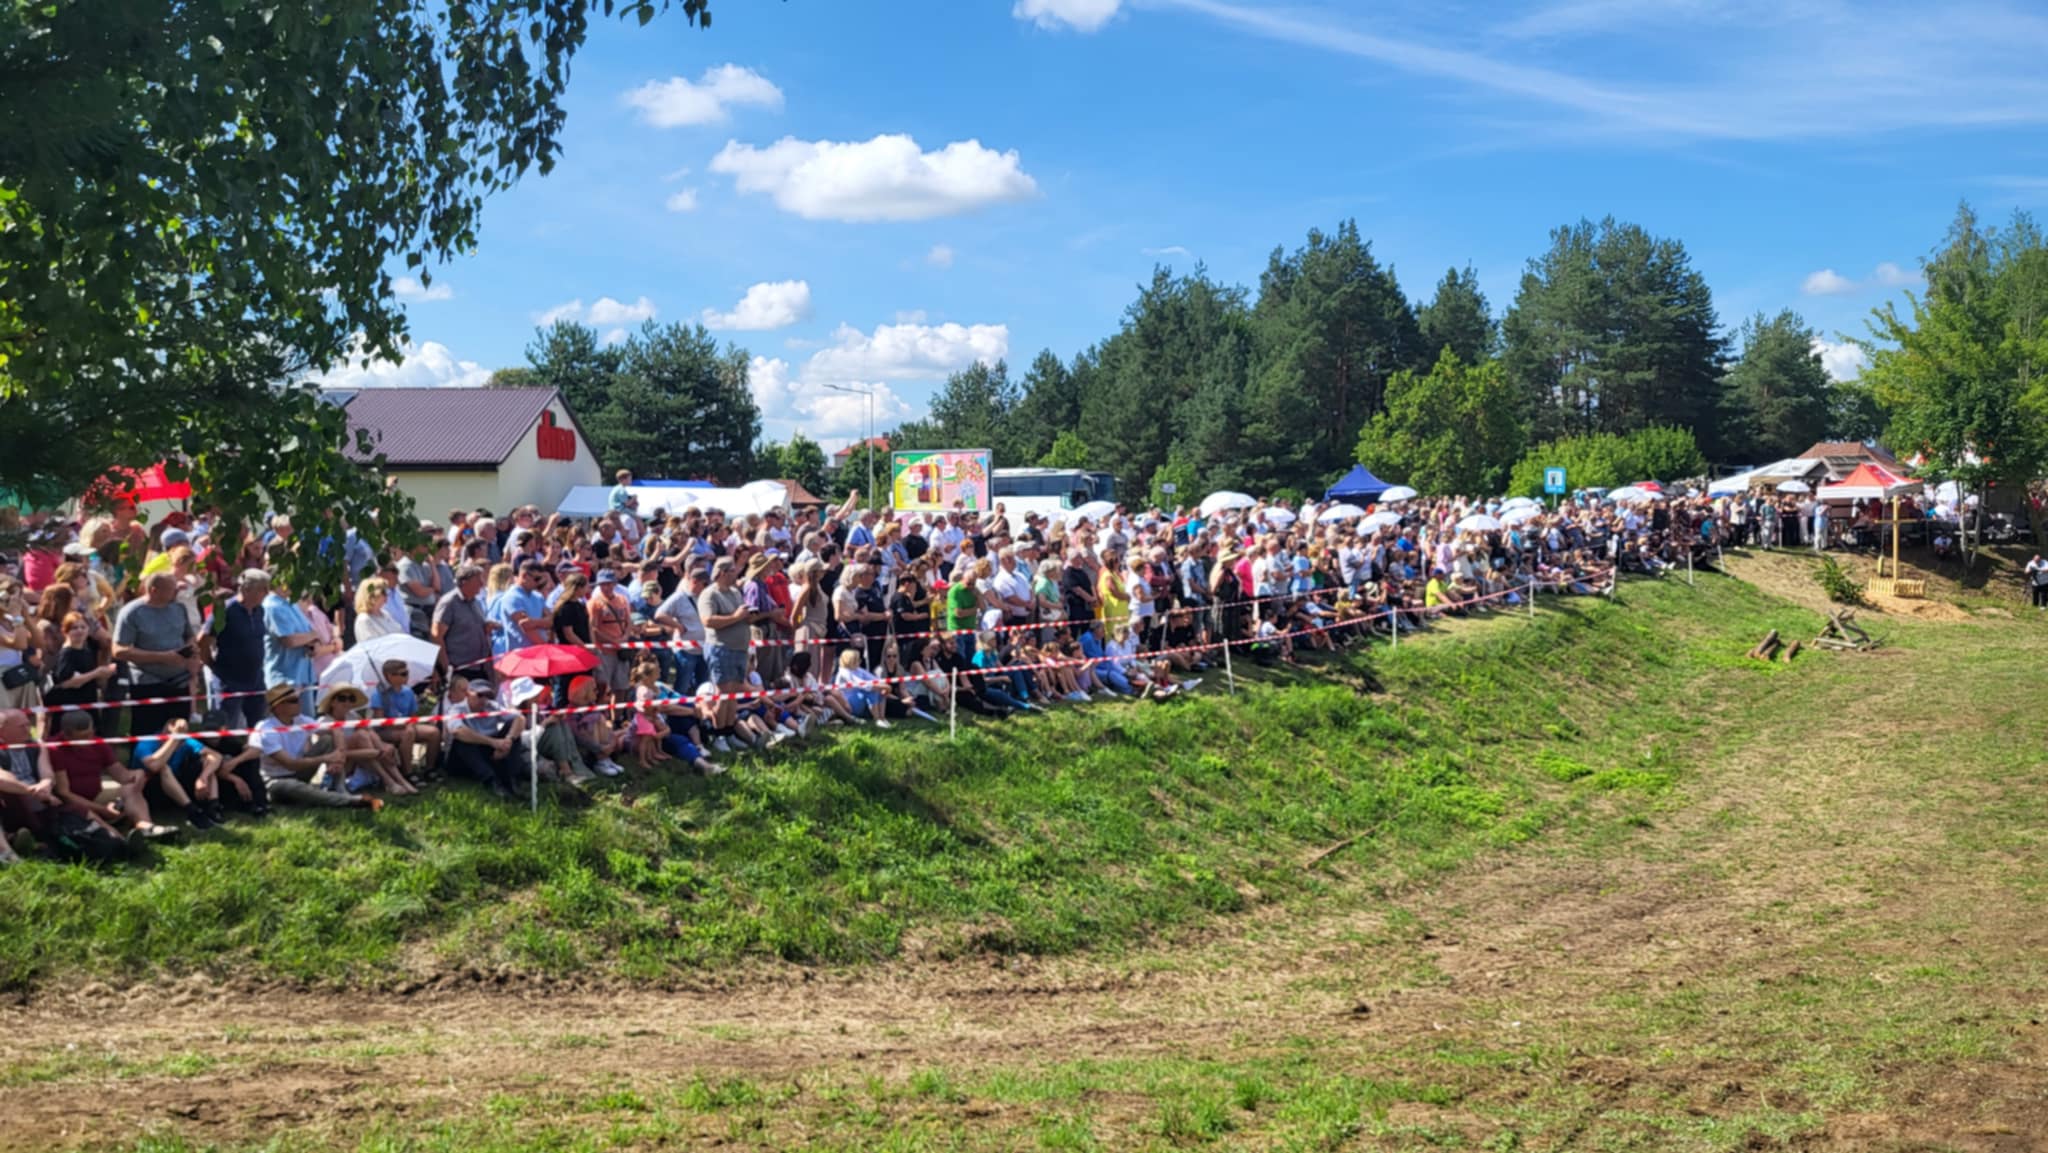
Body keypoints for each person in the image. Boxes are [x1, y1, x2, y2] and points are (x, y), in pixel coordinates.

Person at [253, 685, 383, 811]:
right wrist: (327, 758)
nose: (299, 703)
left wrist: (338, 758)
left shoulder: (302, 720)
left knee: (327, 740)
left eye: (298, 699)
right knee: (292, 787)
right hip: (275, 780)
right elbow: (290, 764)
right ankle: (350, 800)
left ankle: (340, 788)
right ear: (278, 707)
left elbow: (335, 729)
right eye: (293, 701)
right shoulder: (266, 729)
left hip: (300, 772)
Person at [112, 571, 198, 738]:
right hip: (147, 682)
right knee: (148, 732)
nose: (177, 592)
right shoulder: (132, 612)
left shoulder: (179, 608)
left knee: (179, 731)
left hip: (179, 680)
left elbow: (189, 636)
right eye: (172, 589)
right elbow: (118, 650)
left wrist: (192, 655)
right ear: (153, 590)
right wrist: (162, 657)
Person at [442, 677, 529, 800]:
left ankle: (512, 779)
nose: (483, 700)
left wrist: (508, 740)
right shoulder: (456, 709)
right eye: (480, 695)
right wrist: (493, 742)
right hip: (463, 759)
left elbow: (520, 718)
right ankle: (491, 781)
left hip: (488, 750)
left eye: (487, 696)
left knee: (513, 729)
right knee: (462, 740)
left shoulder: (492, 706)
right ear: (468, 694)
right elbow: (457, 731)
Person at [697, 557, 750, 737]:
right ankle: (717, 733)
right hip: (721, 648)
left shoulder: (735, 592)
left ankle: (728, 732)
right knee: (723, 693)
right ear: (722, 573)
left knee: (734, 693)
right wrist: (735, 617)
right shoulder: (709, 594)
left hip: (740, 648)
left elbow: (741, 615)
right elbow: (708, 620)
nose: (736, 573)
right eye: (733, 570)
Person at [369, 658, 439, 782]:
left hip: (406, 726)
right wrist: (401, 725)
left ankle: (430, 769)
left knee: (433, 732)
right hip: (386, 730)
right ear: (389, 676)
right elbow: (380, 721)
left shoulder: (408, 691)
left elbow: (413, 715)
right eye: (403, 674)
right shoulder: (378, 694)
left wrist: (410, 725)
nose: (407, 676)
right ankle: (408, 772)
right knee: (408, 733)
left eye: (407, 672)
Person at [432, 564, 494, 687]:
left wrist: (486, 627)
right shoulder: (449, 602)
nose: (482, 583)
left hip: (479, 667)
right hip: (459, 669)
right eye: (478, 580)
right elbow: (436, 635)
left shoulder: (476, 602)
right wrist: (445, 665)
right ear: (465, 582)